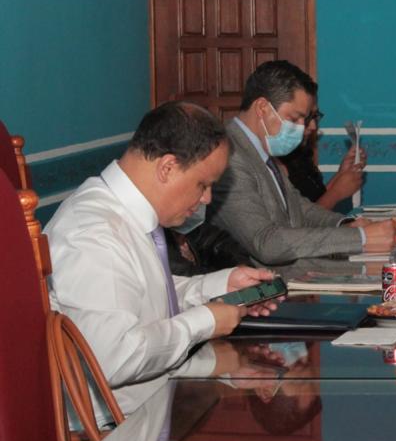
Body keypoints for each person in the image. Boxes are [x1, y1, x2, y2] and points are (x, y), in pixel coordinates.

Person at [46, 102, 278, 416]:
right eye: (203, 184)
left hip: (154, 403)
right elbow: (115, 358)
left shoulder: (126, 214)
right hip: (114, 428)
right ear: (167, 168)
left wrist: (221, 286)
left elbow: (145, 295)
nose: (207, 198)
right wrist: (204, 322)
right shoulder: (93, 232)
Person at [208, 61, 396, 265]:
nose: (303, 128)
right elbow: (267, 243)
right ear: (262, 108)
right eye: (294, 118)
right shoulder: (228, 157)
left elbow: (300, 209)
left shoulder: (261, 149)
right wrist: (360, 238)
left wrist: (347, 225)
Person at [277, 98, 365, 211]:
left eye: (315, 116)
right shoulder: (276, 163)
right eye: (307, 117)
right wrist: (336, 193)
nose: (313, 126)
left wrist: (341, 174)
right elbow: (302, 219)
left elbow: (315, 201)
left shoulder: (300, 155)